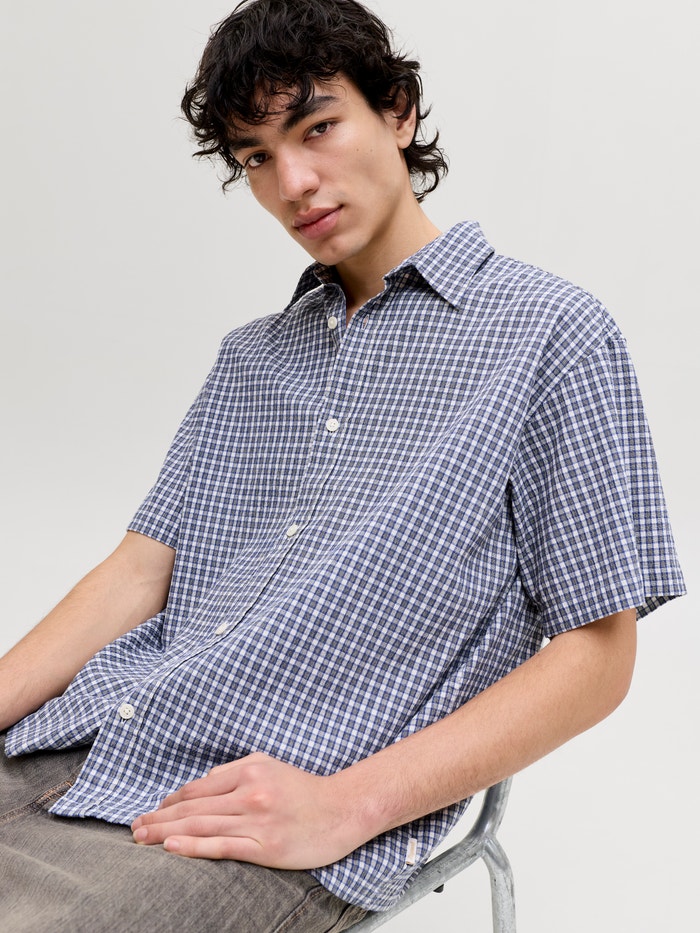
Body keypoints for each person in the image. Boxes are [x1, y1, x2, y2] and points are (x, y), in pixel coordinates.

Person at [0, 1, 685, 930]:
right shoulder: (252, 357)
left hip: (248, 806)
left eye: (316, 126)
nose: (293, 182)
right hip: (77, 733)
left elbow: (597, 655)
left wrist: (345, 807)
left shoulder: (550, 334)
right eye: (255, 156)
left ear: (397, 111)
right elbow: (138, 570)